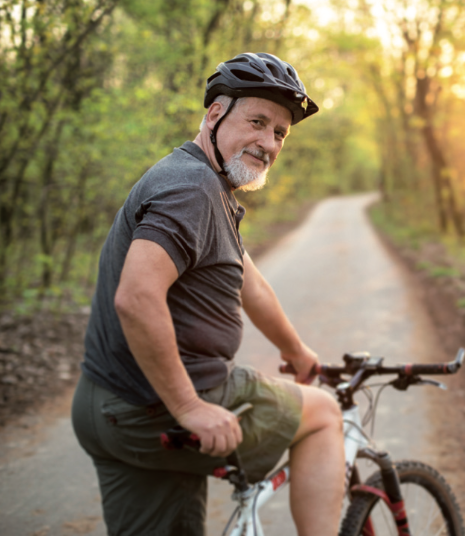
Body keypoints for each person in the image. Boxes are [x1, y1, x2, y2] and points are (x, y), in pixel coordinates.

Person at [71, 52, 345, 536]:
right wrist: (189, 407)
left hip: (106, 407)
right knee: (323, 414)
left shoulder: (203, 183)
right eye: (257, 122)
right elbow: (136, 297)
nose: (268, 143)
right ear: (215, 114)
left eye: (280, 133)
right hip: (154, 406)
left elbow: (249, 282)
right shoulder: (192, 189)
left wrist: (295, 351)